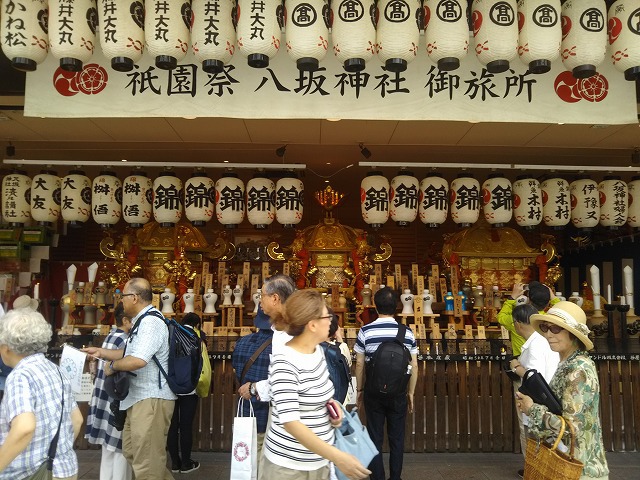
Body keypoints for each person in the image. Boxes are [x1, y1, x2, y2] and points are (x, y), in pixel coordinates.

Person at [261, 289, 370, 480]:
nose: (331, 321)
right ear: (312, 324)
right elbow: (291, 422)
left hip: (319, 462)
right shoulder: (285, 362)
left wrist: (333, 409)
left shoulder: (317, 351)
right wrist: (338, 457)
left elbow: (324, 395)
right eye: (326, 316)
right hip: (288, 467)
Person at [83, 278, 176, 480]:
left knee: (147, 464)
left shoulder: (151, 322)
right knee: (133, 453)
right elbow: (127, 352)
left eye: (123, 296)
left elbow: (138, 360)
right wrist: (100, 352)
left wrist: (111, 367)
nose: (121, 301)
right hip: (138, 399)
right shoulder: (141, 321)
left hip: (151, 399)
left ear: (134, 298)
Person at [516, 301, 609, 480]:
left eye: (556, 329)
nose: (548, 334)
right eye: (545, 327)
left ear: (573, 334)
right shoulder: (568, 363)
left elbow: (570, 429)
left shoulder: (578, 370)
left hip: (579, 469)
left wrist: (531, 409)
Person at [0, 308, 84, 479]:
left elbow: (24, 427)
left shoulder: (19, 376)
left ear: (6, 348)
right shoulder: (56, 370)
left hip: (32, 474)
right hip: (64, 469)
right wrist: (56, 451)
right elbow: (77, 420)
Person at [354, 286, 418, 480]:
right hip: (398, 393)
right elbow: (414, 365)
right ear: (397, 306)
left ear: (375, 305)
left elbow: (359, 363)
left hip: (373, 392)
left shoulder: (366, 330)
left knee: (374, 436)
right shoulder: (407, 332)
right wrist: (411, 393)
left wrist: (359, 389)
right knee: (397, 437)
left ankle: (377, 477)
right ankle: (395, 477)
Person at [507, 303, 560, 472]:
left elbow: (533, 375)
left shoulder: (536, 344)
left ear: (517, 323)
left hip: (536, 399)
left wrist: (516, 367)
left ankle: (533, 468)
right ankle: (537, 467)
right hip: (548, 397)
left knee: (530, 433)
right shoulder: (543, 340)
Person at [85, 302, 133, 480]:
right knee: (120, 450)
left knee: (108, 449)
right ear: (126, 320)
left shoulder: (111, 336)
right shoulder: (125, 341)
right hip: (116, 400)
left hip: (104, 397)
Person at [238, 274, 296, 402]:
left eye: (262, 296)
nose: (260, 301)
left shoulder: (290, 331)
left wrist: (255, 388)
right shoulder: (282, 328)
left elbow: (286, 379)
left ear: (275, 298)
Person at [232, 306, 273, 459]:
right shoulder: (282, 347)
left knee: (246, 462)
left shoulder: (242, 342)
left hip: (246, 412)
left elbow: (236, 368)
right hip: (270, 416)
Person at [167, 312, 202, 474]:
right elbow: (202, 365)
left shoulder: (171, 333)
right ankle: (186, 463)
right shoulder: (196, 337)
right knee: (186, 427)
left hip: (171, 388)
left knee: (172, 427)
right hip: (189, 389)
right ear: (197, 325)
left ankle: (174, 463)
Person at [498, 281, 556, 357]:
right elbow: (564, 312)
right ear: (548, 302)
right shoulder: (551, 318)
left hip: (520, 360)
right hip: (544, 358)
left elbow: (500, 318)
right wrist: (554, 298)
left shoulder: (518, 318)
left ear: (528, 300)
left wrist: (512, 298)